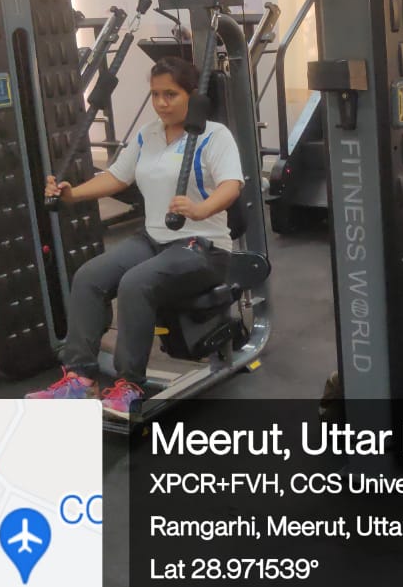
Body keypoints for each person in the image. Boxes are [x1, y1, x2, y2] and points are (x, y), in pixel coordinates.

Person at [26, 56, 244, 420]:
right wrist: (71, 195)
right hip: (153, 239)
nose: (161, 103)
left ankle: (130, 386)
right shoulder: (148, 134)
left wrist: (200, 209)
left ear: (192, 96)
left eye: (170, 94)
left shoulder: (214, 135)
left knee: (135, 283)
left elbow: (231, 185)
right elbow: (117, 177)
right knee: (89, 277)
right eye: (155, 94)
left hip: (202, 247)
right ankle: (80, 379)